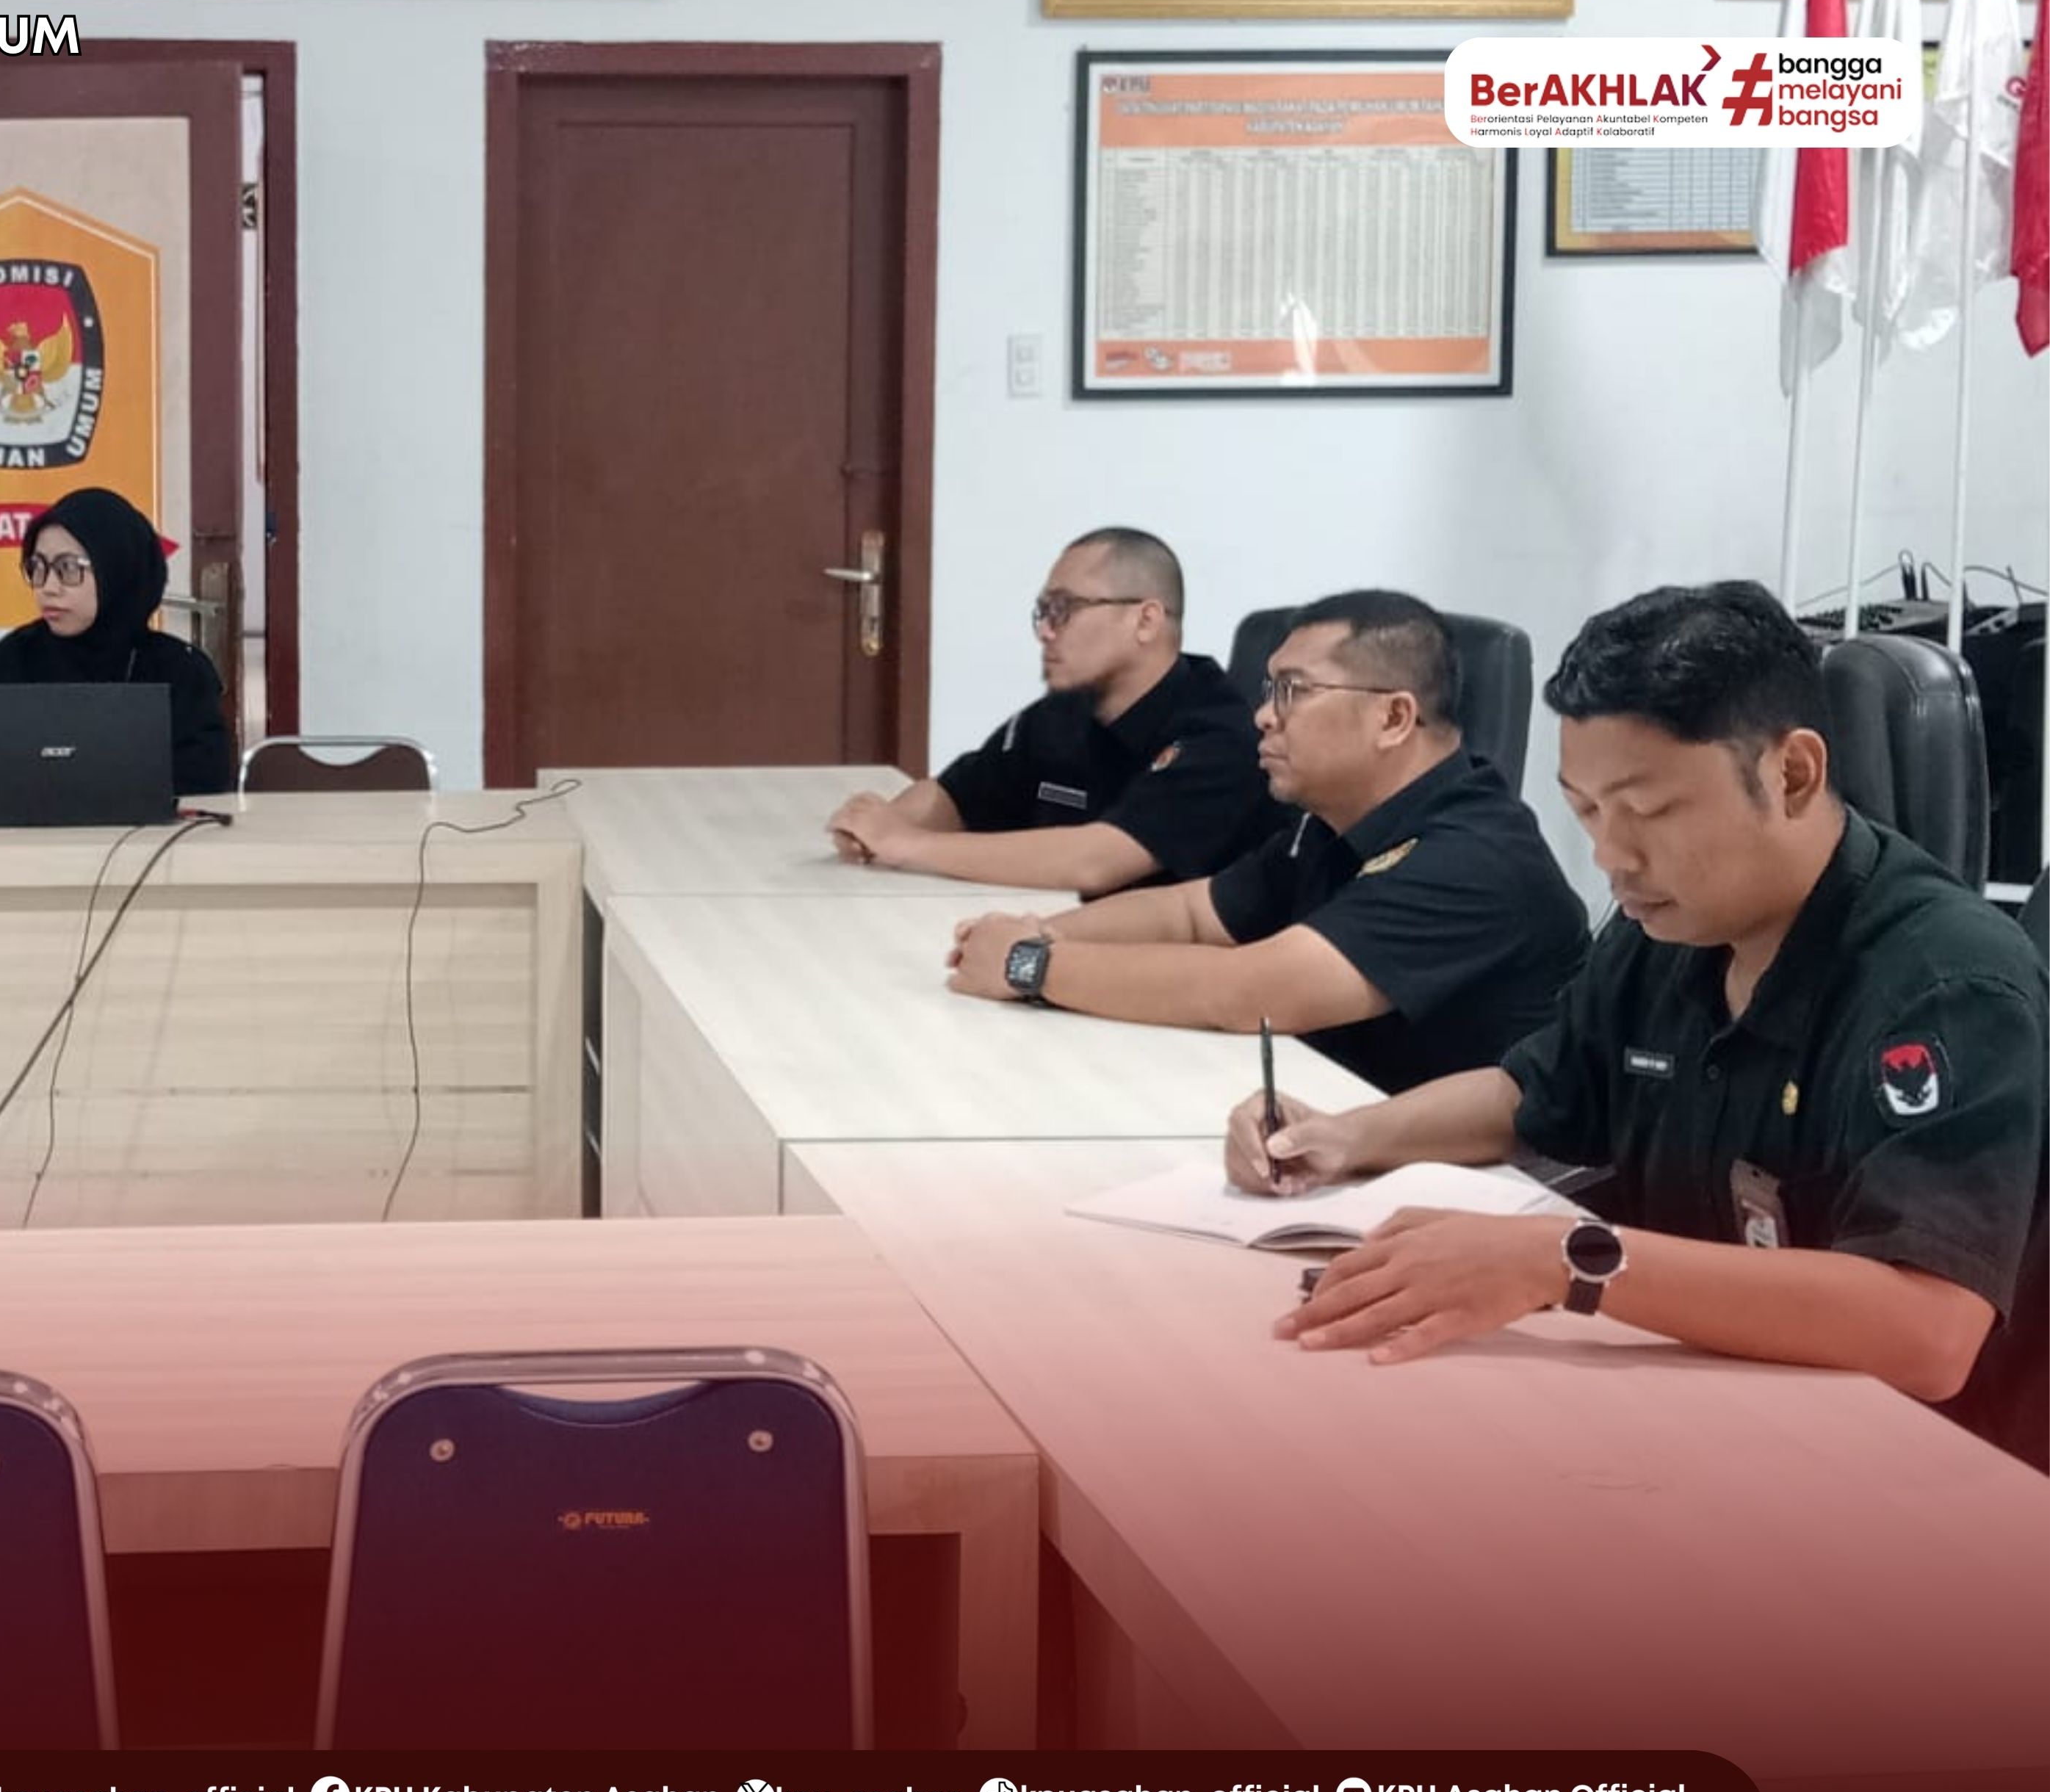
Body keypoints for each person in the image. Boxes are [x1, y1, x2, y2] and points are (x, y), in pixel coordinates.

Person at [1241, 583, 2046, 1472]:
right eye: (1586, 810)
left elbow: (1928, 1327)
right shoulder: (1667, 924)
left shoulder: (1944, 983)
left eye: (1650, 811)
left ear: (1790, 774)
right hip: (1697, 1416)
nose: (1610, 856)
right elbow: (1535, 1088)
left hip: (1906, 1470)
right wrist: (1344, 1135)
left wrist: (1569, 1260)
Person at [949, 590, 1588, 1095]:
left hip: (1464, 1178)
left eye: (1292, 691)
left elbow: (1247, 992)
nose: (1262, 715)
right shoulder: (1331, 820)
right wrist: (1042, 931)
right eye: (1268, 690)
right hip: (1325, 1119)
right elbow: (1191, 913)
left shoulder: (1471, 855)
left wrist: (1030, 964)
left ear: (1393, 717)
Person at [826, 527, 1273, 893]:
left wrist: (907, 844)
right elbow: (959, 796)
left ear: (1146, 621)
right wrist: (880, 828)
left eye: (1065, 609)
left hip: (1184, 963)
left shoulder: (1221, 735)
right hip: (1058, 933)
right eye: (1042, 611)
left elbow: (1095, 862)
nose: (1045, 631)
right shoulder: (1064, 713)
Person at [0, 488, 234, 798]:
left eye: (68, 569)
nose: (48, 588)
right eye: (37, 568)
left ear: (118, 571)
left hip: (141, 834)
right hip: (27, 834)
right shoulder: (13, 658)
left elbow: (207, 775)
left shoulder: (179, 670)